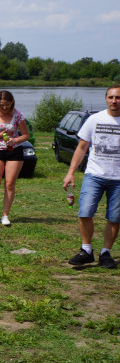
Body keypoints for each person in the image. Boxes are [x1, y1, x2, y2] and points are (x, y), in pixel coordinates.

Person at [63, 85, 120, 269]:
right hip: (94, 175)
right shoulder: (94, 119)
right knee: (85, 211)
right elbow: (81, 148)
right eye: (111, 97)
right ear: (105, 99)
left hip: (118, 179)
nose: (114, 101)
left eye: (118, 97)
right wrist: (71, 172)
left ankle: (106, 253)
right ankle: (86, 250)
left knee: (115, 217)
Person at [0, 90, 30, 226]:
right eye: (2, 105)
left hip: (14, 151)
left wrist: (15, 140)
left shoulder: (18, 115)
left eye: (7, 105)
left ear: (12, 103)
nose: (4, 107)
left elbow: (26, 135)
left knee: (9, 183)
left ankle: (5, 215)